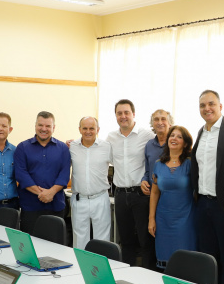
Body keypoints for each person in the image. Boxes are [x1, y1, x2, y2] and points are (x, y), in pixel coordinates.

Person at [191, 90, 224, 284]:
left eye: (211, 104)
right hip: (203, 204)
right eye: (203, 105)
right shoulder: (201, 132)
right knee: (208, 256)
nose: (207, 108)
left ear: (220, 106)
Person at [107, 99, 156, 268]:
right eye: (119, 113)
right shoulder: (111, 138)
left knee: (145, 240)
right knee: (126, 240)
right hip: (120, 195)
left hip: (141, 195)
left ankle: (147, 276)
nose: (123, 116)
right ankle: (127, 274)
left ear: (133, 114)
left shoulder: (147, 135)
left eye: (126, 112)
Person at [13, 111, 71, 234]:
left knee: (55, 246)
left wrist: (51, 193)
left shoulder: (63, 149)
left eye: (48, 126)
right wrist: (43, 194)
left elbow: (64, 174)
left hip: (56, 205)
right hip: (30, 207)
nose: (44, 129)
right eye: (40, 125)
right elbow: (21, 174)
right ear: (35, 126)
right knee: (31, 245)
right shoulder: (22, 148)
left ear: (53, 128)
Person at [148, 126, 196, 269]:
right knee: (165, 262)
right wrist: (151, 219)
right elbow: (155, 193)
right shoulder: (158, 165)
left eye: (179, 137)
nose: (174, 138)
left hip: (186, 219)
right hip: (163, 220)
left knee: (184, 261)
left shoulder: (191, 164)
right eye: (172, 135)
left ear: (186, 143)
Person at [68, 116, 112, 248]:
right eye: (85, 128)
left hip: (100, 198)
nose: (88, 131)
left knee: (102, 239)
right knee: (79, 239)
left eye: (92, 128)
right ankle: (81, 267)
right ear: (79, 129)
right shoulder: (72, 147)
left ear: (97, 129)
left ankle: (101, 267)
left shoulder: (107, 147)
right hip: (79, 199)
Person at [140, 109, 173, 195]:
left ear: (170, 124)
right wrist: (144, 180)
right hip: (152, 195)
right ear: (152, 124)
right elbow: (148, 172)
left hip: (172, 194)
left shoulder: (176, 143)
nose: (159, 122)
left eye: (163, 119)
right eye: (156, 119)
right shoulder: (149, 145)